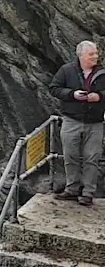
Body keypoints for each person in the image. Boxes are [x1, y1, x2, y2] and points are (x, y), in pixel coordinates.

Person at [49, 40, 105, 206]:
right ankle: (72, 189)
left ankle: (88, 193)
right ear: (81, 55)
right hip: (71, 120)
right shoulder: (66, 70)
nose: (96, 56)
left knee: (92, 158)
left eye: (96, 53)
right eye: (91, 54)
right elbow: (54, 88)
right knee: (70, 156)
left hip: (95, 123)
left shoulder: (102, 72)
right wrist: (72, 94)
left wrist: (100, 96)